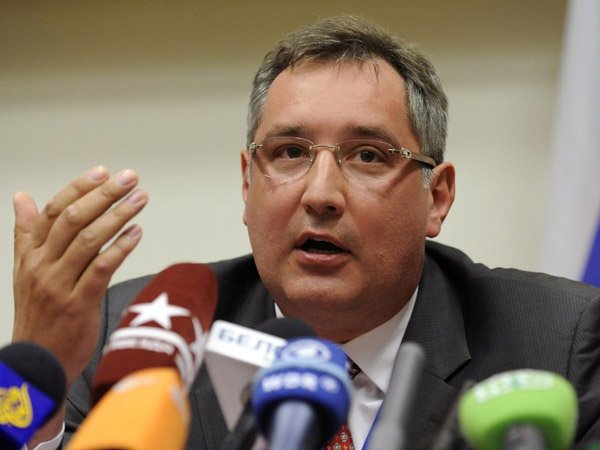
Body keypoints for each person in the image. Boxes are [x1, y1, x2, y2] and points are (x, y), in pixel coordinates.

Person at [11, 14, 600, 450]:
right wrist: (32, 389)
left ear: (437, 197)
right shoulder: (139, 333)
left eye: (367, 155)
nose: (320, 194)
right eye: (290, 152)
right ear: (248, 183)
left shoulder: (560, 342)